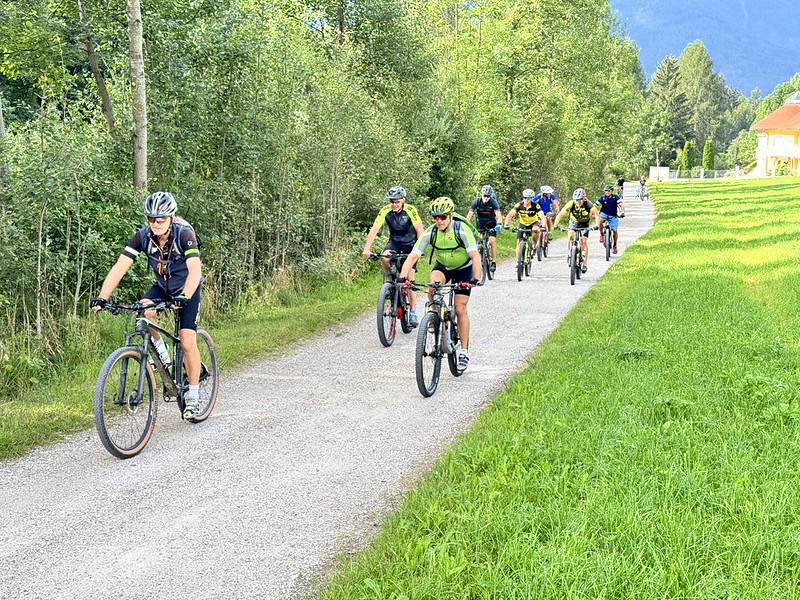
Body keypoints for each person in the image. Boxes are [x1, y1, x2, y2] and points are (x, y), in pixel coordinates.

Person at [90, 191, 204, 419]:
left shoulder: (184, 234)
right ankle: (163, 357)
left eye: (161, 219)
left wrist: (185, 295)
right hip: (163, 286)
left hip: (186, 288)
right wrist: (102, 297)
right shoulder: (143, 237)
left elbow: (195, 270)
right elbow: (120, 267)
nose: (156, 223)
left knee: (187, 340)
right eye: (151, 219)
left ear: (171, 217)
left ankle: (193, 395)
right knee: (143, 310)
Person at [398, 197, 481, 372]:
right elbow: (413, 256)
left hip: (463, 269)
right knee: (432, 286)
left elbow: (475, 256)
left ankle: (464, 351)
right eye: (435, 218)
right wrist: (402, 278)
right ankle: (435, 317)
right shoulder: (431, 232)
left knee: (460, 308)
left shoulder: (462, 229)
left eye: (443, 217)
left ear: (450, 216)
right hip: (443, 266)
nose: (439, 221)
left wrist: (475, 278)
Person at [362, 185, 424, 326]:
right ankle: (390, 283)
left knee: (409, 278)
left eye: (397, 202)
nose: (394, 205)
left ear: (402, 201)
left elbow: (419, 229)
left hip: (410, 245)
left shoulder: (410, 210)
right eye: (392, 201)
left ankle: (413, 311)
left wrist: (418, 249)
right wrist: (367, 248)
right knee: (384, 257)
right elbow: (374, 229)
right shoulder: (385, 211)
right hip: (394, 243)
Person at [553, 187, 598, 274]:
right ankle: (570, 253)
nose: (577, 202)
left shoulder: (588, 204)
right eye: (576, 200)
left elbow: (596, 214)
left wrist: (596, 225)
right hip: (573, 222)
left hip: (584, 223)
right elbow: (561, 213)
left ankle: (584, 263)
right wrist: (556, 224)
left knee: (583, 241)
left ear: (583, 198)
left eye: (579, 200)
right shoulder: (571, 203)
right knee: (570, 236)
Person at [466, 184, 503, 269]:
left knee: (492, 240)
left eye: (488, 196)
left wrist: (499, 224)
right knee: (478, 240)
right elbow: (469, 215)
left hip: (491, 223)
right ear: (481, 195)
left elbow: (498, 215)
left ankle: (493, 262)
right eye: (484, 196)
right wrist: (465, 224)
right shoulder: (476, 201)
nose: (486, 198)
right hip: (480, 223)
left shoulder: (493, 202)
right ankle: (479, 259)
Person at [594, 184, 625, 254]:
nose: (607, 192)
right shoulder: (602, 198)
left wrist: (622, 212)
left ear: (611, 191)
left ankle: (615, 246)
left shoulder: (615, 197)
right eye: (605, 191)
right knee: (600, 221)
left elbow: (621, 205)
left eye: (608, 191)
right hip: (603, 214)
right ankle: (601, 234)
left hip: (613, 215)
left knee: (615, 231)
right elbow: (595, 205)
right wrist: (593, 211)